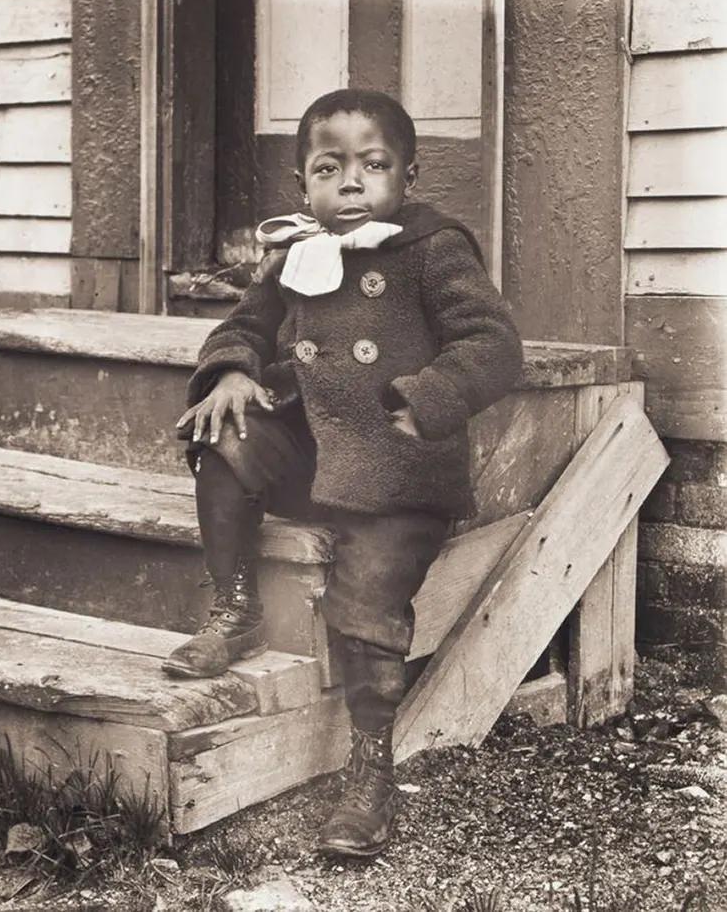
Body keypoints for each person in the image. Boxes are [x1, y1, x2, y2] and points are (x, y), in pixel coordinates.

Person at [162, 89, 523, 857]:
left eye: (373, 165)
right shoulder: (299, 252)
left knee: (366, 597)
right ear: (303, 186)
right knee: (222, 433)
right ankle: (234, 608)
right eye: (330, 169)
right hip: (319, 454)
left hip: (400, 464)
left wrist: (429, 398)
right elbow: (245, 325)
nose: (351, 183)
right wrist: (230, 370)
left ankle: (370, 769)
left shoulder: (433, 248)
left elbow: (492, 344)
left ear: (409, 175)